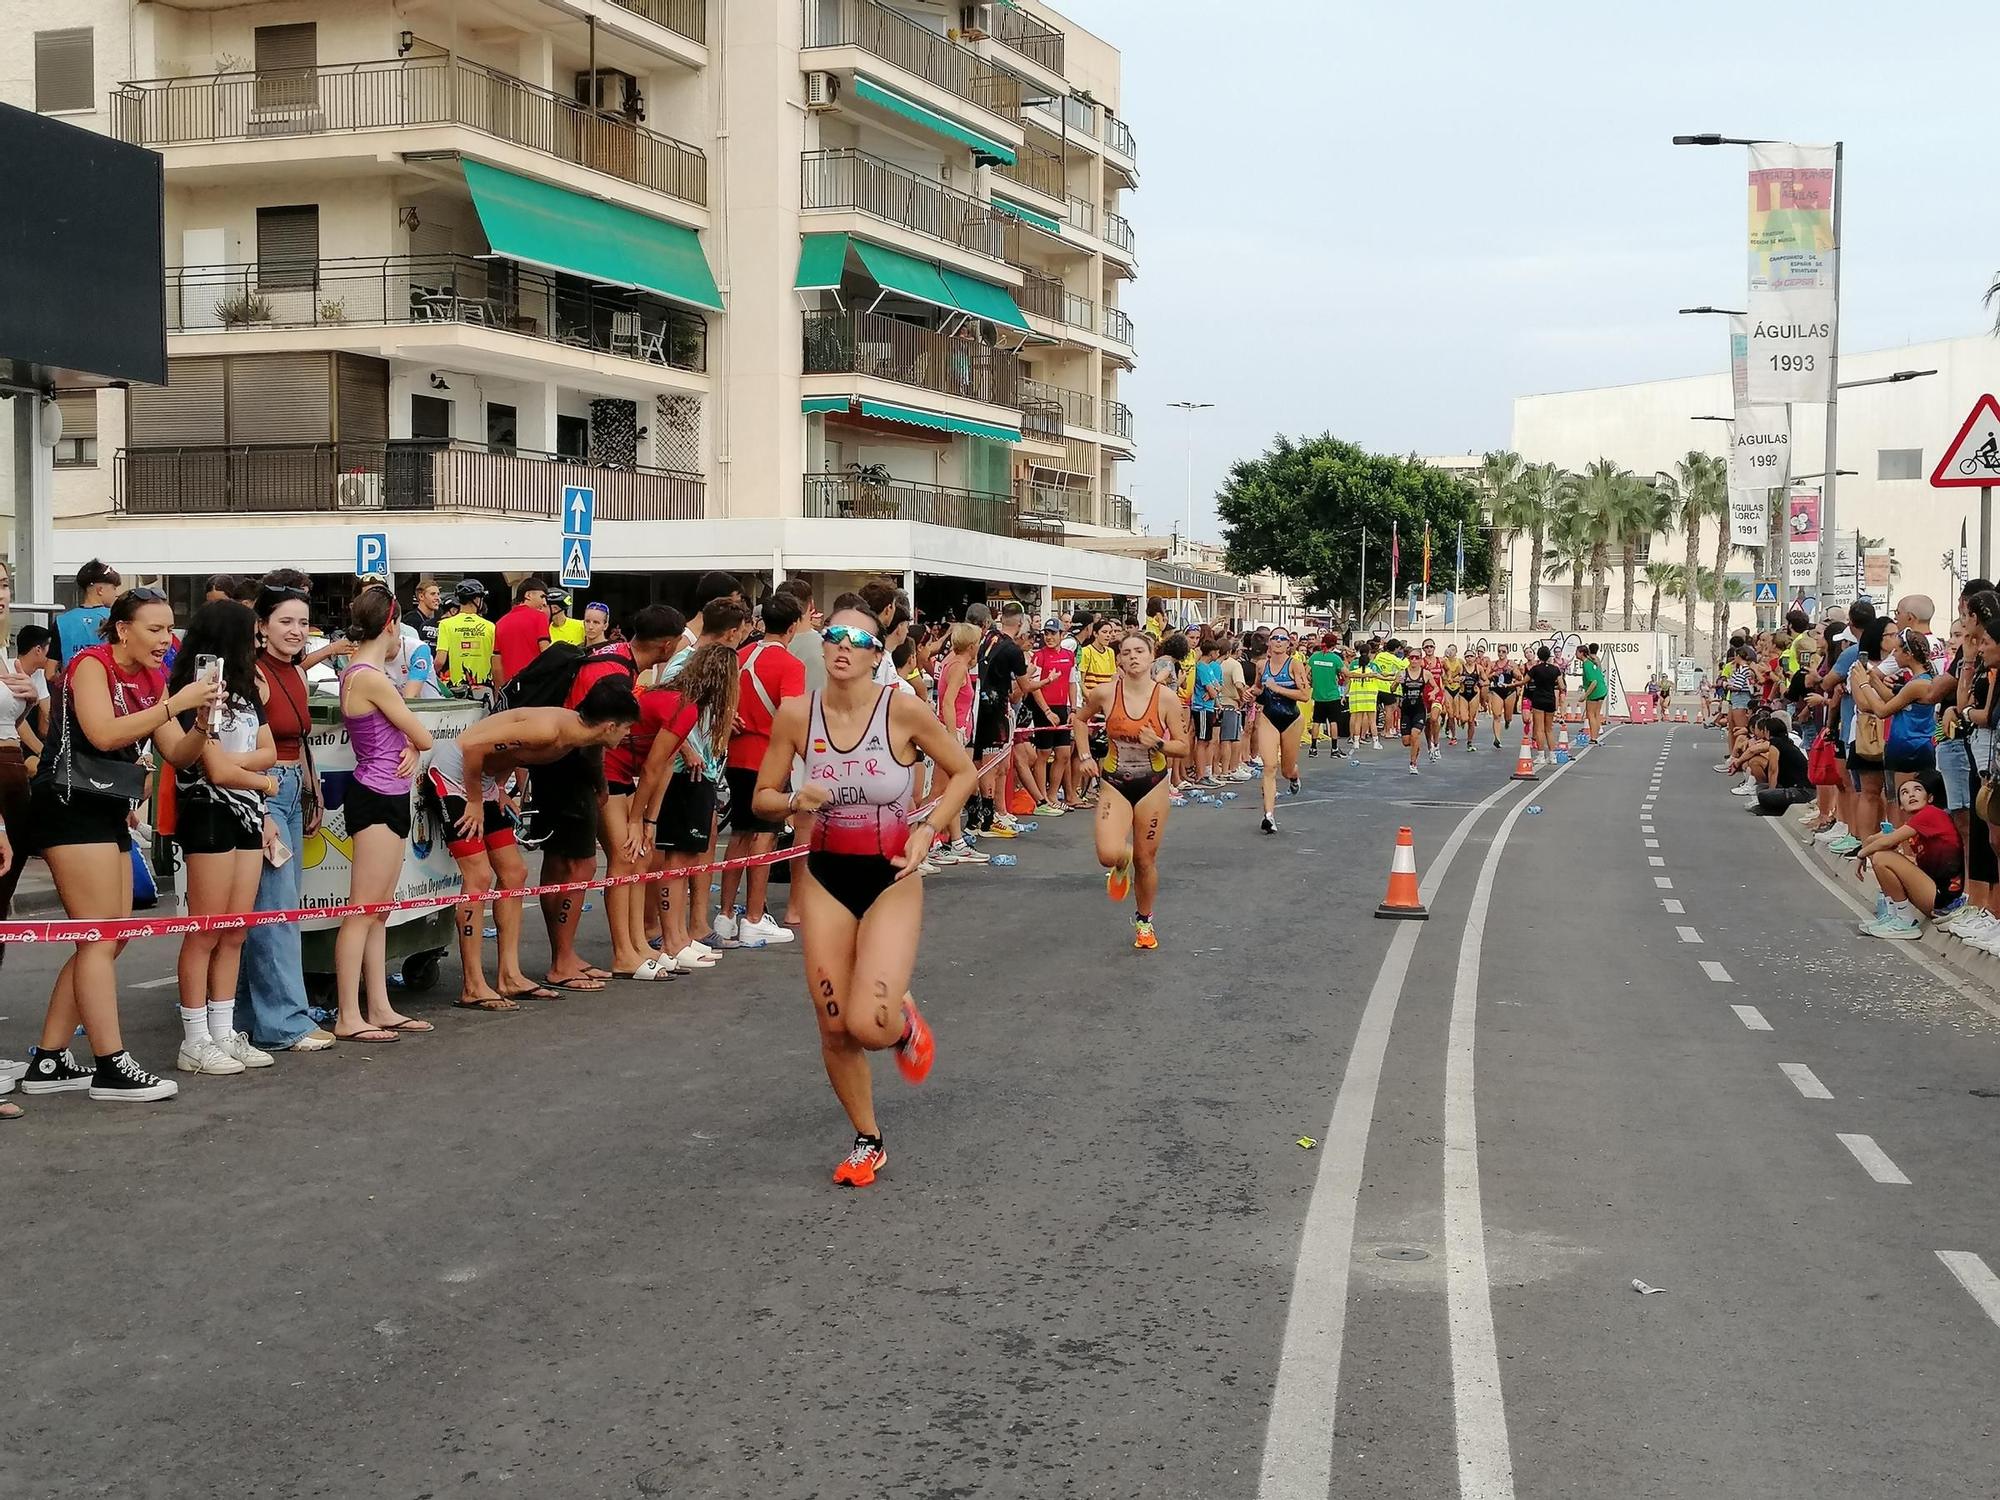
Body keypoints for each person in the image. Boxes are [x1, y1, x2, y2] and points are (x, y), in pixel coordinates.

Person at [751, 600, 975, 1187]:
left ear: (878, 654)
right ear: (822, 646)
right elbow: (761, 798)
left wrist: (928, 829)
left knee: (868, 1024)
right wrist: (796, 801)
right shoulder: (797, 715)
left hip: (891, 877)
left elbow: (965, 772)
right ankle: (867, 1139)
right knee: (834, 1026)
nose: (843, 645)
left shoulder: (903, 710)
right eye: (834, 635)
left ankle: (900, 1022)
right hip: (826, 877)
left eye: (858, 638)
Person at [19, 588, 221, 1104]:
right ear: (122, 629)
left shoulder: (155, 678)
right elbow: (104, 734)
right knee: (99, 936)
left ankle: (49, 1058)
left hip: (108, 803)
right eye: (155, 629)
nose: (166, 639)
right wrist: (175, 704)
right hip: (68, 800)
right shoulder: (92, 663)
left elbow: (178, 752)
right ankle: (111, 1065)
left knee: (113, 934)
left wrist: (200, 724)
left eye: (170, 628)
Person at [428, 686, 642, 1006]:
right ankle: (472, 985)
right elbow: (473, 745)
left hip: (482, 781)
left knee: (515, 873)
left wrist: (499, 787)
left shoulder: (578, 736)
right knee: (479, 878)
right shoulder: (549, 731)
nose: (627, 735)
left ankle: (509, 975)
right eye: (627, 728)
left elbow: (513, 752)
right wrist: (474, 800)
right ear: (610, 726)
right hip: (454, 777)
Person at [167, 600, 281, 1077]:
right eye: (252, 634)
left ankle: (222, 1030)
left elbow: (270, 751)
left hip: (248, 815)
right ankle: (194, 1038)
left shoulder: (249, 690)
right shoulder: (189, 690)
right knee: (205, 928)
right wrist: (260, 781)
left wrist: (247, 774)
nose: (258, 641)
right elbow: (209, 767)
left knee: (235, 928)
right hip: (207, 810)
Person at [230, 577, 334, 1053]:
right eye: (285, 621)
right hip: (265, 794)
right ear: (262, 626)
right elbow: (243, 748)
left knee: (275, 909)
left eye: (303, 623)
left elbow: (300, 738)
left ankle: (253, 1017)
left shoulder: (294, 671)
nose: (296, 631)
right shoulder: (253, 674)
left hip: (292, 791)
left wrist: (312, 791)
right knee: (275, 913)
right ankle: (285, 1022)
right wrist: (266, 805)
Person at [557, 604, 680, 987]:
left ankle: (633, 944)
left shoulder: (619, 663)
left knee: (619, 860)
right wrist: (604, 789)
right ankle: (618, 952)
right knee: (612, 859)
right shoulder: (613, 669)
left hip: (596, 768)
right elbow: (596, 734)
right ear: (666, 646)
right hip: (586, 768)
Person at [332, 588, 434, 1044]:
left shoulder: (364, 673)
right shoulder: (367, 676)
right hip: (375, 793)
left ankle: (377, 1005)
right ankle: (349, 1014)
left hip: (386, 792)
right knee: (362, 910)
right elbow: (422, 733)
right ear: (391, 624)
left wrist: (410, 741)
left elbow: (410, 735)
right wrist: (413, 741)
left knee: (378, 910)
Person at [1075, 629, 1189, 950]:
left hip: (1152, 785)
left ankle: (1144, 921)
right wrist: (1085, 756)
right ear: (1119, 659)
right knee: (1107, 854)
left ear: (1152, 657)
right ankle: (1121, 861)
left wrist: (1161, 743)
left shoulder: (1166, 698)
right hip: (1115, 781)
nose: (1133, 657)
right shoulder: (1105, 693)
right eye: (1126, 652)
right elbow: (1080, 720)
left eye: (1139, 651)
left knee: (1146, 860)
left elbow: (1184, 747)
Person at [630, 643, 738, 974]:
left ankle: (678, 935)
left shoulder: (688, 703)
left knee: (687, 857)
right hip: (683, 775)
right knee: (676, 858)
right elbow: (655, 766)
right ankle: (672, 939)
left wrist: (648, 818)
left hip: (689, 774)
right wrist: (642, 818)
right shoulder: (684, 705)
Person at [715, 590, 808, 947]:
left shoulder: (740, 656)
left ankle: (725, 915)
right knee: (765, 836)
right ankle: (754, 916)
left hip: (737, 755)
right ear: (794, 625)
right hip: (770, 759)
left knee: (739, 834)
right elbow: (792, 715)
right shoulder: (790, 665)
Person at [0, 566, 44, 973]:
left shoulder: (5, 653)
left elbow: (9, 723)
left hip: (14, 779)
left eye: (3, 584)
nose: (1, 595)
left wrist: (28, 701)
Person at [1855, 770, 1961, 939]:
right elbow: (1877, 840)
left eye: (1917, 790)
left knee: (1882, 857)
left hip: (1946, 898)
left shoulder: (1930, 813)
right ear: (1901, 806)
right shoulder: (1915, 825)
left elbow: (1886, 843)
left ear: (1930, 798)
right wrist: (1874, 841)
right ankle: (1893, 915)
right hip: (1936, 892)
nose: (1911, 794)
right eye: (1905, 792)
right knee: (1882, 855)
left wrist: (1861, 855)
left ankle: (1905, 921)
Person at [969, 602, 1030, 836]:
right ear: (1020, 622)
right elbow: (1023, 687)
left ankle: (988, 816)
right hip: (994, 707)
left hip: (979, 705)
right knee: (990, 764)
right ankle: (986, 819)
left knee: (989, 763)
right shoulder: (1012, 649)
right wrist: (1044, 680)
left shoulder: (987, 638)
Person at [1253, 628, 1309, 834]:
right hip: (1269, 717)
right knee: (1269, 766)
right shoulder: (1262, 665)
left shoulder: (1294, 665)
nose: (1277, 641)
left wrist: (1278, 688)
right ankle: (1269, 816)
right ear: (1269, 643)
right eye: (1274, 638)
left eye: (1282, 638)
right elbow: (1258, 688)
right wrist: (1251, 694)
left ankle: (1294, 777)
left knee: (1286, 770)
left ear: (1288, 644)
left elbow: (1304, 695)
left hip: (1291, 719)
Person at [1737, 714, 1812, 814]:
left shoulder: (1775, 743)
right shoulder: (1786, 742)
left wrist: (1771, 791)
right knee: (1761, 787)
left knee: (1765, 794)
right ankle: (1773, 804)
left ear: (1767, 731)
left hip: (1802, 790)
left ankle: (1772, 807)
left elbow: (1773, 770)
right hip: (1793, 786)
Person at [54, 559, 121, 667]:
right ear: (100, 590)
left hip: (73, 682)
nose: (116, 593)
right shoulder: (117, 618)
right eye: (114, 588)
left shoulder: (61, 621)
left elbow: (49, 672)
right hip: (107, 682)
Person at [492, 577, 552, 688]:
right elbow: (546, 654)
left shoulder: (500, 623)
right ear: (528, 595)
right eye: (542, 596)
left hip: (509, 688)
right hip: (534, 685)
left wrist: (499, 692)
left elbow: (496, 664)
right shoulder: (539, 617)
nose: (544, 602)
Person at [437, 580, 495, 691]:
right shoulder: (490, 626)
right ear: (477, 600)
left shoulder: (445, 624)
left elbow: (440, 661)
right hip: (484, 686)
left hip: (457, 687)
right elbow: (495, 660)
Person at [1308, 633, 1347, 760]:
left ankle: (1313, 748)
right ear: (1334, 645)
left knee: (1316, 721)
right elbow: (1346, 673)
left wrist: (1310, 680)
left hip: (1318, 695)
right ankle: (1334, 748)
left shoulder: (1314, 657)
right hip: (1332, 695)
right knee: (1333, 722)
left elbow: (1305, 671)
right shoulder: (1335, 659)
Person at [1524, 644, 1564, 765]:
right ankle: (1552, 756)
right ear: (1548, 656)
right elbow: (1562, 686)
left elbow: (1524, 681)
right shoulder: (1555, 669)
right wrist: (1552, 685)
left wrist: (1511, 685)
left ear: (1539, 656)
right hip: (1550, 700)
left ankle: (1541, 756)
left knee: (1539, 729)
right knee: (1549, 729)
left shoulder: (1535, 669)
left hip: (1538, 699)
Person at [1398, 652, 1430, 775]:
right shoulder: (1402, 673)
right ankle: (1416, 746)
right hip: (1406, 710)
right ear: (1408, 659)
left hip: (1419, 709)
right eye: (1412, 658)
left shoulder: (1426, 674)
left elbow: (1436, 687)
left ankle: (1413, 763)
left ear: (1420, 660)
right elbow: (1392, 688)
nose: (1414, 660)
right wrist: (1396, 682)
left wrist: (1433, 694)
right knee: (1407, 741)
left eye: (1417, 658)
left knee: (1415, 734)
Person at [1488, 645, 1521, 747]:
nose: (1501, 653)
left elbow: (1519, 676)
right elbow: (1485, 676)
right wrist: (1492, 674)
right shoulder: (1493, 664)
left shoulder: (1511, 664)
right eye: (1499, 651)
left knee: (1508, 715)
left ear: (1507, 652)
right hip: (1497, 691)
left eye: (1503, 651)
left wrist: (1515, 673)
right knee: (1496, 715)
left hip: (1509, 691)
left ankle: (1507, 721)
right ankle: (1497, 739)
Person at [1579, 643, 1609, 743]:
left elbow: (1593, 682)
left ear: (1581, 653)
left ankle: (1593, 737)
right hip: (1602, 689)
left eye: (1577, 653)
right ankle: (1595, 735)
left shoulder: (1587, 664)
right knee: (1596, 714)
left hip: (1595, 691)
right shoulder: (1593, 661)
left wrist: (1585, 695)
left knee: (1590, 714)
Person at [409, 577, 445, 647]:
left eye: (438, 594)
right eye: (433, 594)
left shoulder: (433, 619)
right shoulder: (411, 620)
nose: (437, 598)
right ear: (421, 596)